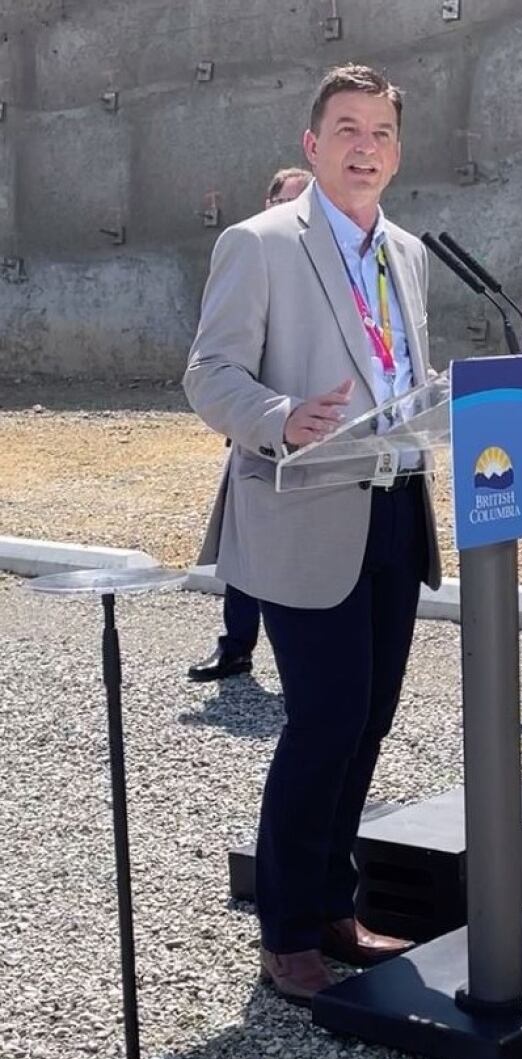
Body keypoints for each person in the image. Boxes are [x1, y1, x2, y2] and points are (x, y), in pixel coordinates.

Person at [183, 64, 441, 1002]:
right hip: (303, 513)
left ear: (397, 150)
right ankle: (286, 929)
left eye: (380, 131)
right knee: (324, 718)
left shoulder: (407, 253)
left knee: (369, 719)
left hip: (393, 508)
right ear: (312, 144)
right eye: (346, 129)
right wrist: (283, 414)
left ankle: (335, 901)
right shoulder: (259, 245)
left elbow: (404, 374)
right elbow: (208, 375)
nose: (364, 147)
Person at [188, 165, 312, 682]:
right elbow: (219, 360)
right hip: (259, 434)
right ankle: (236, 645)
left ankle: (302, 664)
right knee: (245, 549)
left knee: (302, 557)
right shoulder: (249, 253)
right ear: (267, 204)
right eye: (285, 200)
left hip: (317, 443)